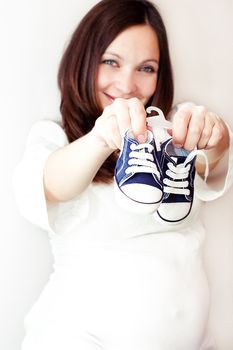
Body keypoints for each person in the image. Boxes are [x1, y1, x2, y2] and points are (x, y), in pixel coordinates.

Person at [13, 0, 232, 349]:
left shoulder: (170, 128)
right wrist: (102, 137)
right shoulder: (57, 137)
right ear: (84, 60)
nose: (128, 84)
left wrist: (216, 138)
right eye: (111, 62)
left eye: (146, 68)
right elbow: (48, 185)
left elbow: (213, 165)